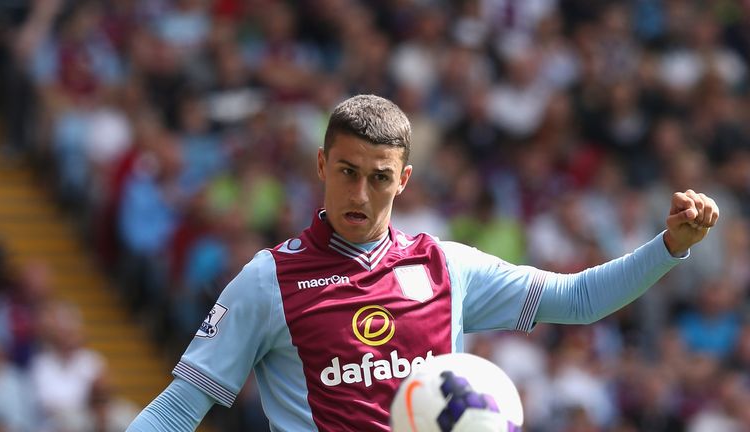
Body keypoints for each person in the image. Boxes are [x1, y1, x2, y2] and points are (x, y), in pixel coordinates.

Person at [126, 94, 719, 431]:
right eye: (347, 173)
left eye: (379, 178)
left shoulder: (446, 267)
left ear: (403, 179)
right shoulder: (268, 278)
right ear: (321, 165)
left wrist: (669, 247)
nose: (360, 194)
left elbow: (581, 300)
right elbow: (180, 408)